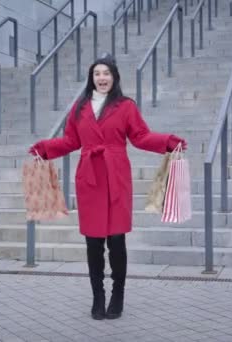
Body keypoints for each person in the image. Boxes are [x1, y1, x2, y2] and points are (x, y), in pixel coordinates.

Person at [29, 56, 187, 320]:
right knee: (93, 243)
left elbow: (141, 137)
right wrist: (44, 149)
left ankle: (118, 295)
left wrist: (169, 142)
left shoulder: (125, 106)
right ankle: (97, 297)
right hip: (90, 179)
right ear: (91, 78)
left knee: (116, 241)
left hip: (116, 177)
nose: (101, 78)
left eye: (106, 73)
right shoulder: (79, 108)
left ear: (114, 77)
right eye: (97, 74)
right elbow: (70, 141)